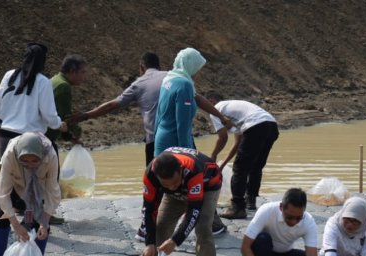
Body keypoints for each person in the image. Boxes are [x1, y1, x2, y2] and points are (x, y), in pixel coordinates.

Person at [74, 51, 229, 239]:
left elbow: (115, 104)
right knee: (185, 179)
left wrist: (86, 115)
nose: (198, 73)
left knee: (157, 182)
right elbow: (189, 115)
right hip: (177, 141)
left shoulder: (167, 78)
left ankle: (156, 226)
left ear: (141, 67)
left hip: (157, 137)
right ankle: (199, 224)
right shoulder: (179, 80)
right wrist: (189, 150)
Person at [0, 42, 66, 231]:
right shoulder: (42, 81)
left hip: (7, 135)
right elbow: (48, 114)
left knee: (6, 176)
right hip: (31, 139)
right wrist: (58, 124)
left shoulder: (9, 75)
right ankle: (37, 219)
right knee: (37, 179)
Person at [153, 48, 229, 236]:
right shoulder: (184, 85)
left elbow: (197, 99)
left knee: (165, 183)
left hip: (162, 138)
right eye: (198, 67)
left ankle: (213, 223)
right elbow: (183, 124)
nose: (198, 71)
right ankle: (207, 224)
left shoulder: (171, 79)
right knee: (190, 182)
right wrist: (187, 155)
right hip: (175, 141)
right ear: (191, 64)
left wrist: (220, 116)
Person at [141, 147, 222, 256]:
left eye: (175, 183)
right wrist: (149, 243)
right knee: (161, 225)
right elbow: (149, 209)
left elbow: (194, 213)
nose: (171, 187)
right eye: (167, 185)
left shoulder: (193, 170)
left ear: (180, 171)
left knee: (203, 230)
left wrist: (175, 241)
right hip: (175, 198)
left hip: (207, 187)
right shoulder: (151, 173)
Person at [0, 132, 61, 256]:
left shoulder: (51, 156)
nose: (29, 165)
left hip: (37, 187)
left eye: (34, 161)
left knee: (38, 221)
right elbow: (2, 192)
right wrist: (15, 224)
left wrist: (45, 222)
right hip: (15, 184)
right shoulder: (10, 154)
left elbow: (52, 191)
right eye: (25, 161)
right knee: (0, 214)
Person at [204, 92, 279, 219]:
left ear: (211, 101)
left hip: (256, 126)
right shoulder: (234, 109)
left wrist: (213, 156)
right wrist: (222, 164)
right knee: (255, 166)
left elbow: (223, 137)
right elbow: (238, 143)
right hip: (271, 125)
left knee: (239, 169)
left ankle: (238, 207)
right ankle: (251, 201)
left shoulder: (216, 109)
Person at [45, 53, 88, 225]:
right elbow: (64, 117)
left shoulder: (55, 80)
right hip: (45, 137)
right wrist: (75, 135)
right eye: (83, 72)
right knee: (50, 176)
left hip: (42, 134)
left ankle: (24, 206)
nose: (85, 77)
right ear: (72, 71)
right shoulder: (63, 87)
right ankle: (45, 214)